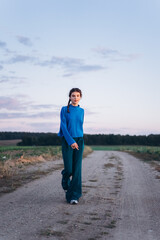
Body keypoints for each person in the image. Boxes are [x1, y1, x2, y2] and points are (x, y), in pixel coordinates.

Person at [57, 88, 84, 205]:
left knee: (77, 170)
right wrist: (71, 141)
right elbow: (63, 126)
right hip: (68, 140)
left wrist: (77, 140)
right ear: (70, 97)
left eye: (78, 96)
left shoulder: (82, 110)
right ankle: (65, 177)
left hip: (79, 140)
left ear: (80, 97)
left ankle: (74, 196)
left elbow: (79, 126)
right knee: (69, 169)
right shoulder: (64, 109)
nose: (75, 98)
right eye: (73, 96)